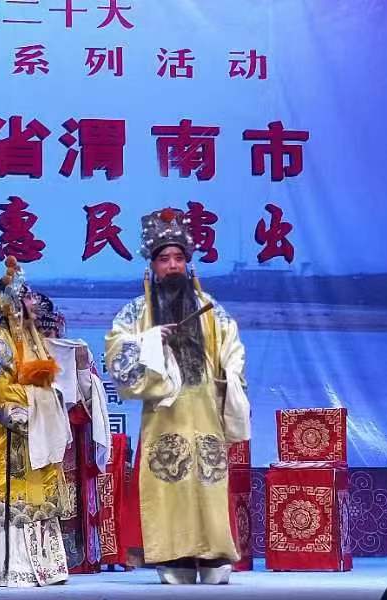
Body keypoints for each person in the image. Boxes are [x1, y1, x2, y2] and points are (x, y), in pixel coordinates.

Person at [105, 207, 250, 585]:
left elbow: (232, 349)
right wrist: (150, 341)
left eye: (178, 258)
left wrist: (230, 375)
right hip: (163, 412)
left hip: (204, 409)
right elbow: (116, 352)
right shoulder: (137, 311)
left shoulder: (210, 309)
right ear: (152, 266)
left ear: (187, 263)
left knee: (208, 480)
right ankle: (175, 555)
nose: (172, 266)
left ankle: (215, 554)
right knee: (170, 481)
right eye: (164, 259)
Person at [0, 257, 71, 587]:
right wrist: (40, 397)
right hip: (6, 439)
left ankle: (44, 567)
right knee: (13, 497)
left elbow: (47, 383)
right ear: (10, 304)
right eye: (26, 296)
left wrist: (49, 395)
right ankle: (11, 567)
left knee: (38, 495)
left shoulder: (32, 339)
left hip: (32, 437)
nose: (33, 301)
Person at [29, 291, 113, 573]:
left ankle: (71, 554)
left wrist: (80, 368)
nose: (48, 337)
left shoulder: (75, 350)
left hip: (71, 439)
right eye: (41, 330)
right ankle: (34, 556)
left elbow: (90, 399)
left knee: (70, 496)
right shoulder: (20, 353)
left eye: (51, 330)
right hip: (34, 434)